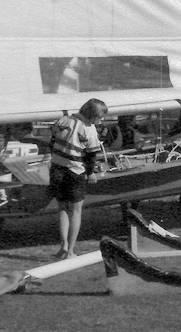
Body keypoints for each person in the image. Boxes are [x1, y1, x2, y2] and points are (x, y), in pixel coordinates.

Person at [48, 98, 108, 259]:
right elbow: (91, 155)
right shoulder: (89, 130)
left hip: (56, 168)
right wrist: (90, 173)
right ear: (92, 116)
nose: (101, 120)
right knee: (76, 211)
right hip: (75, 172)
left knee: (62, 209)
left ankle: (63, 247)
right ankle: (71, 251)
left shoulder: (63, 120)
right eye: (99, 117)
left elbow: (52, 142)